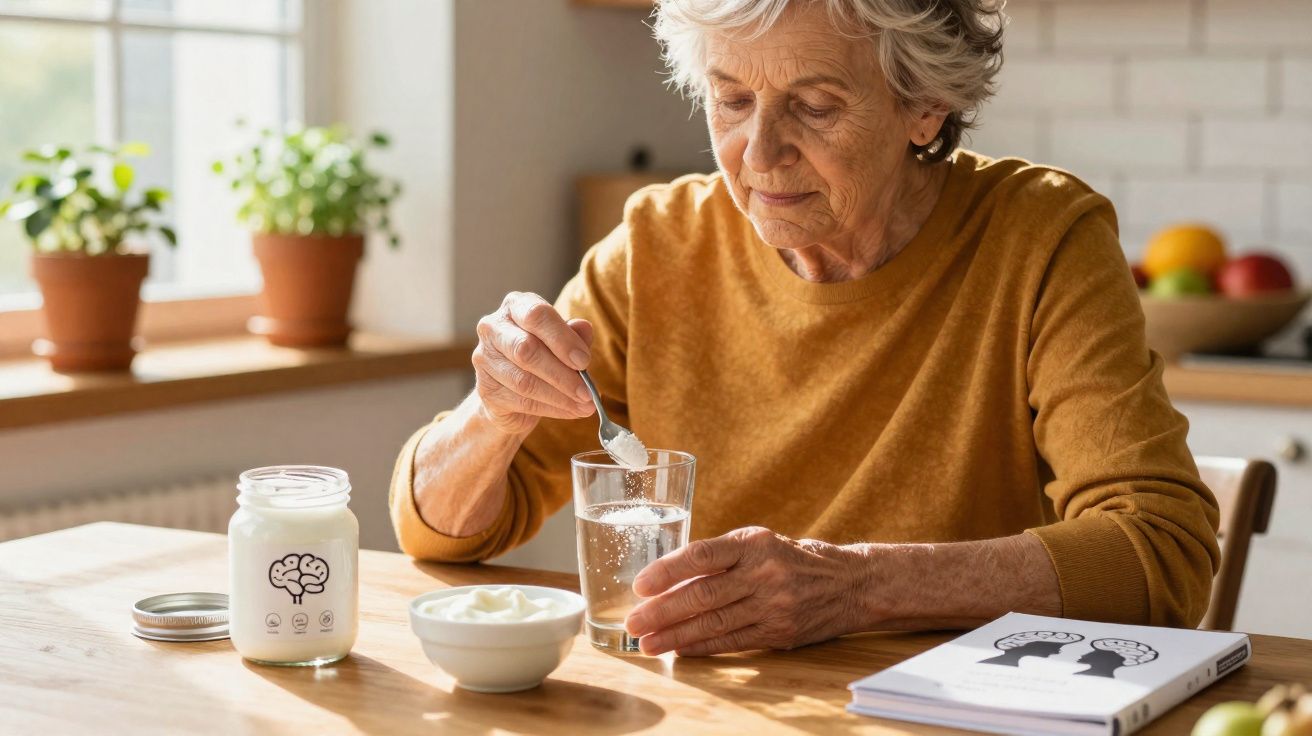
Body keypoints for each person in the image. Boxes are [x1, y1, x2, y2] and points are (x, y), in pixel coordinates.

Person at [389, 0, 1220, 657]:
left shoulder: (1041, 238)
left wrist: (854, 586)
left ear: (924, 107)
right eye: (732, 100)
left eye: (815, 106)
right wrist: (492, 416)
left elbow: (1160, 552)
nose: (759, 152)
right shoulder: (656, 245)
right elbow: (439, 530)